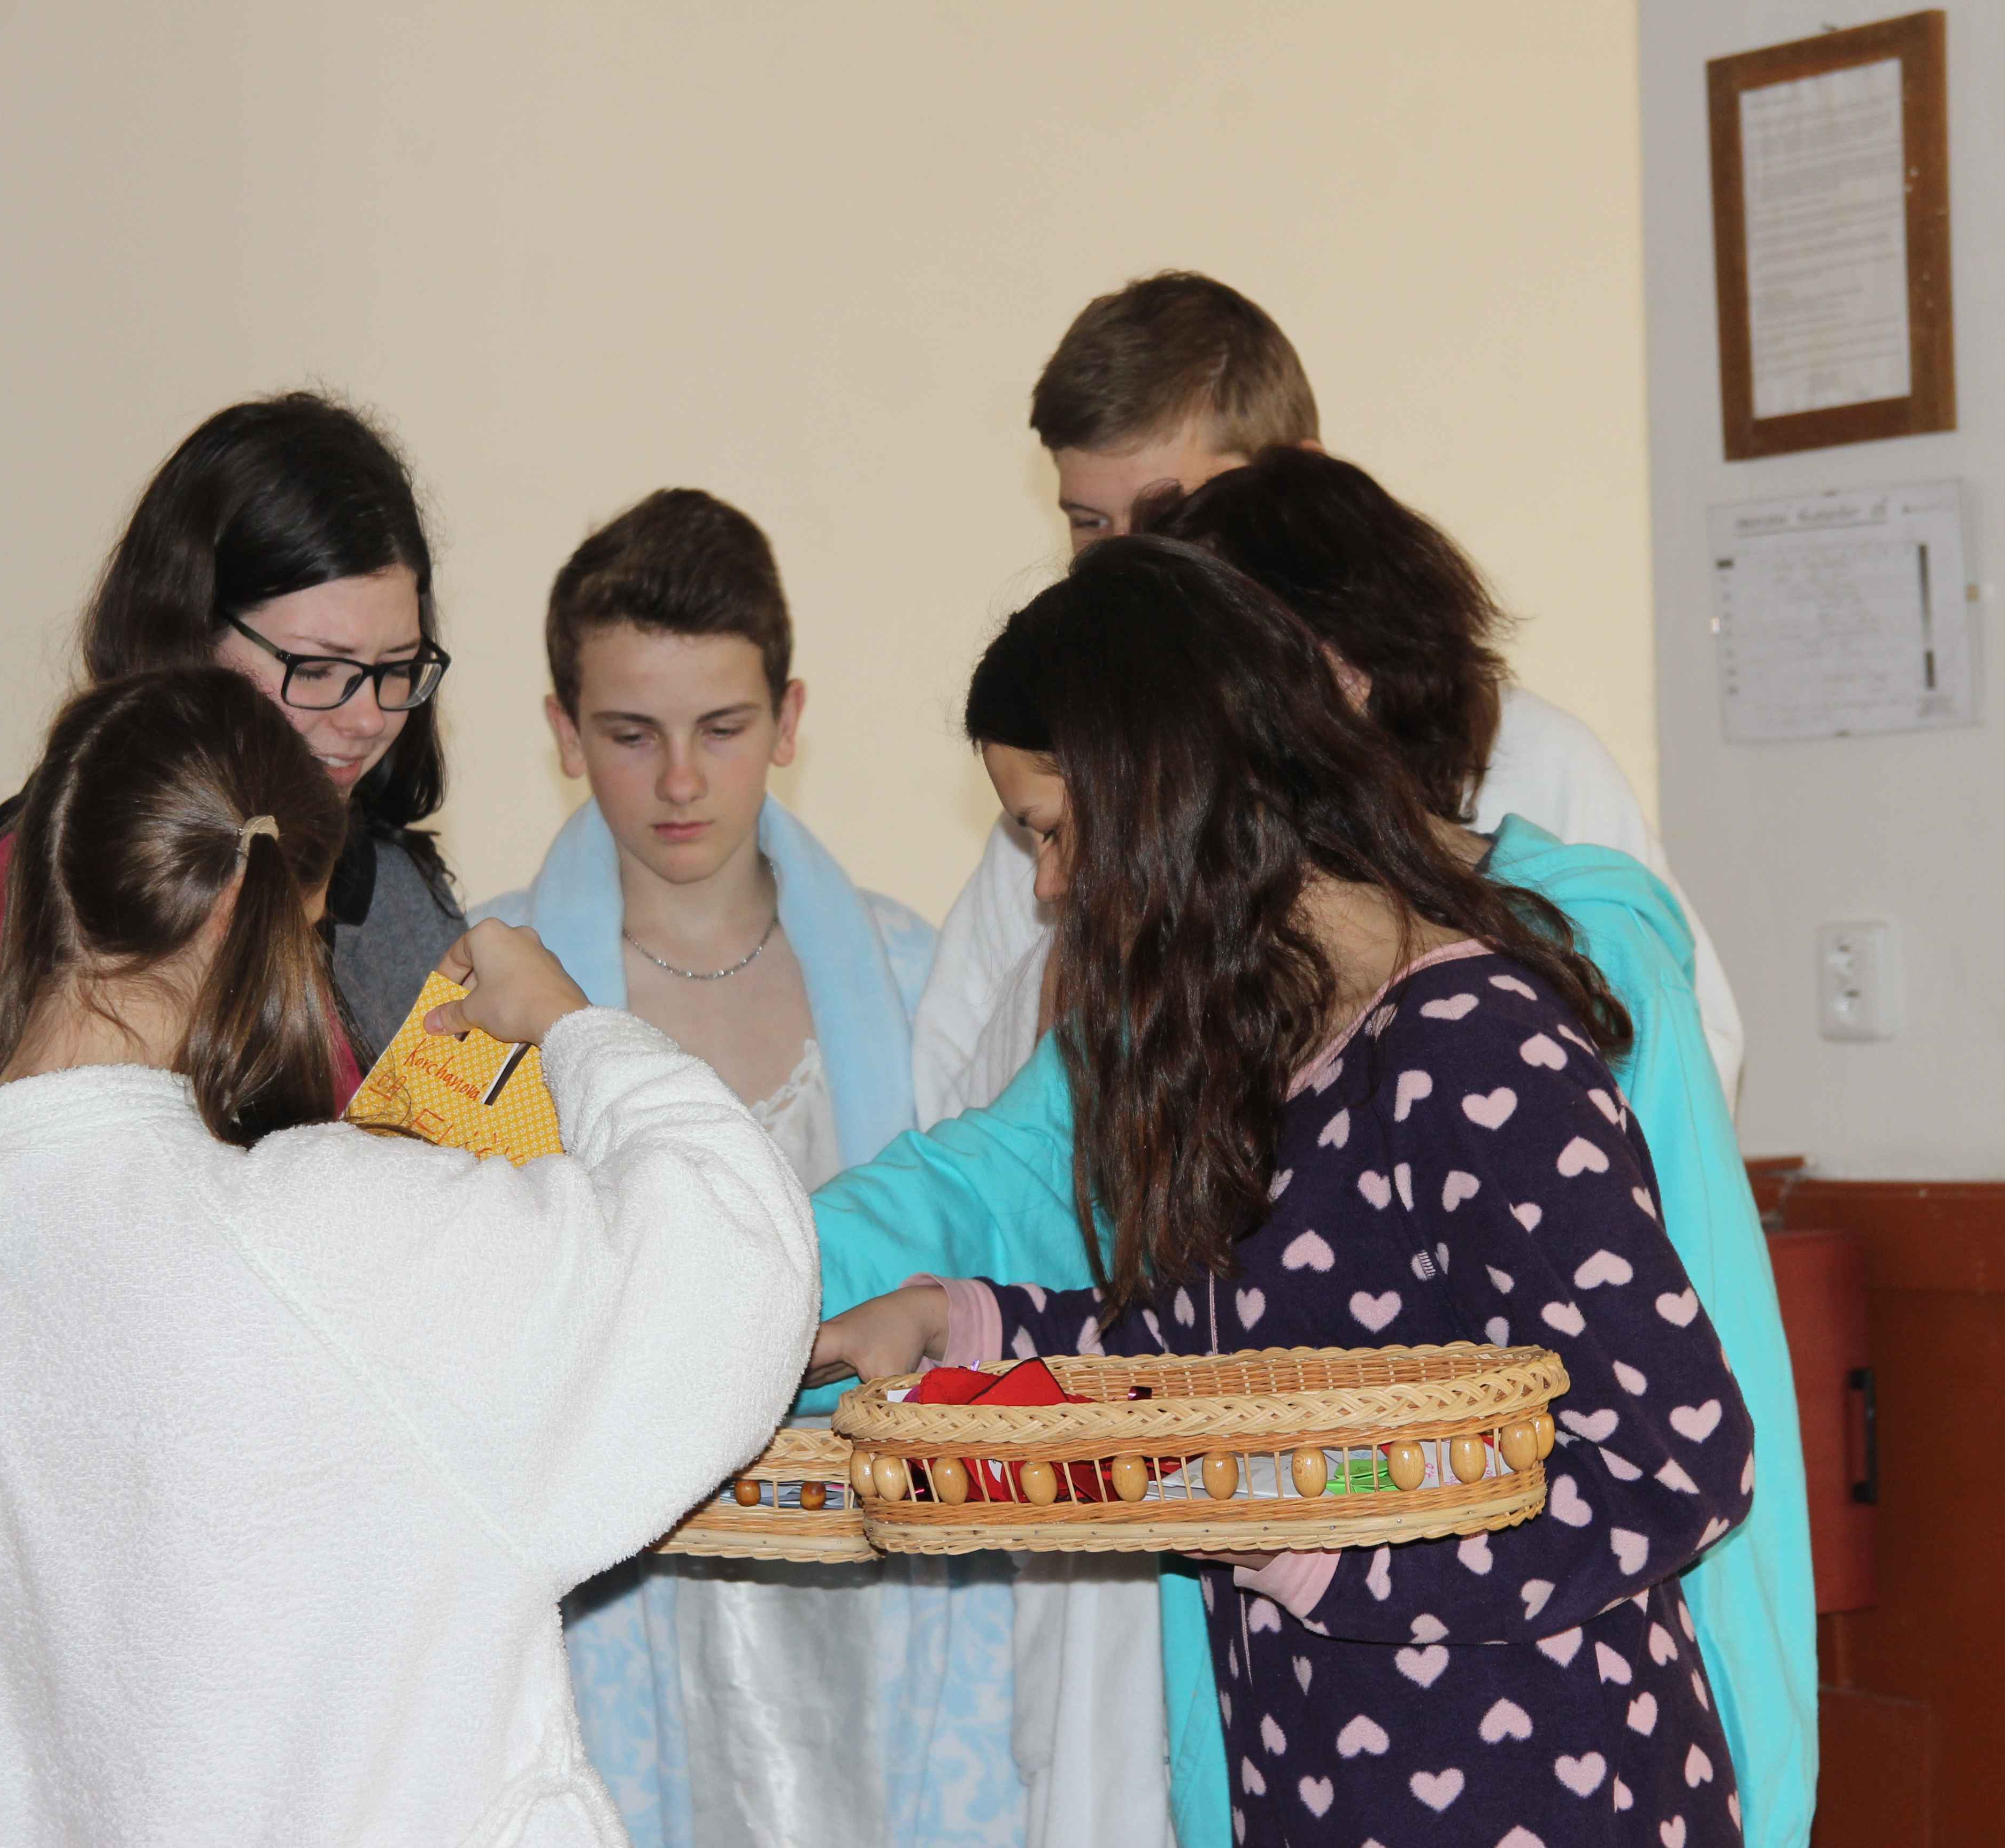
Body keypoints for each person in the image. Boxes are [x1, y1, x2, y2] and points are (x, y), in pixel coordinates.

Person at [816, 453, 1817, 1848]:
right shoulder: (1272, 1050)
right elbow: (1223, 1367)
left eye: (1056, 834)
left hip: (1538, 1797)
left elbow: (1674, 1459)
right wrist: (955, 1323)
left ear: (1169, 794)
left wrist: (1318, 1553)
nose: (1048, 887)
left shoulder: (1466, 1046)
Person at [0, 666, 819, 1846]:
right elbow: (736, 1260)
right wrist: (576, 1029)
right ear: (233, 913)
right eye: (305, 938)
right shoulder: (325, 1234)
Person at [473, 489, 1016, 1848]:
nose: (679, 783)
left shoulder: (910, 971)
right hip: (622, 1614)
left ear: (789, 719)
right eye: (630, 733)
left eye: (721, 729)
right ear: (561, 732)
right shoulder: (486, 989)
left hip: (899, 1598)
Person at [913, 270, 1742, 1129]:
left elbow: (1679, 1073)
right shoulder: (1057, 806)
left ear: (1294, 486)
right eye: (1092, 524)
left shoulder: (1533, 765)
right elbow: (956, 1117)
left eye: (1172, 514)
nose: (1130, 569)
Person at [0, 391, 463, 1181]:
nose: (368, 718)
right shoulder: (51, 892)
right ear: (188, 635)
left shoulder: (396, 896)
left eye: (398, 669)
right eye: (317, 669)